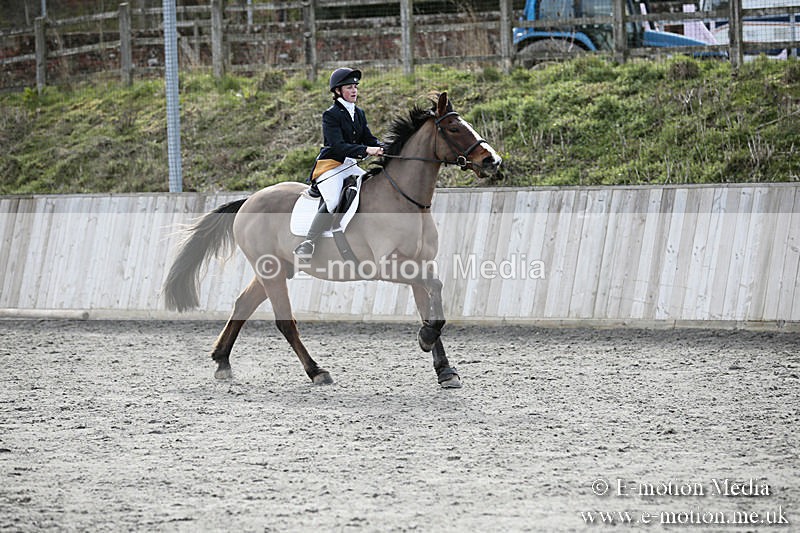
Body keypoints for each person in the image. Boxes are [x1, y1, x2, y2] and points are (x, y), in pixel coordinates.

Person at [294, 67, 384, 258]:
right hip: (330, 166)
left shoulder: (358, 113)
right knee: (333, 199)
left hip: (350, 165)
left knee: (373, 188)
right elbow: (337, 146)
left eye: (355, 87)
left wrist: (383, 146)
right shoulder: (331, 115)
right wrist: (366, 150)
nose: (354, 91)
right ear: (338, 91)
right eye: (349, 87)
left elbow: (368, 138)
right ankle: (308, 242)